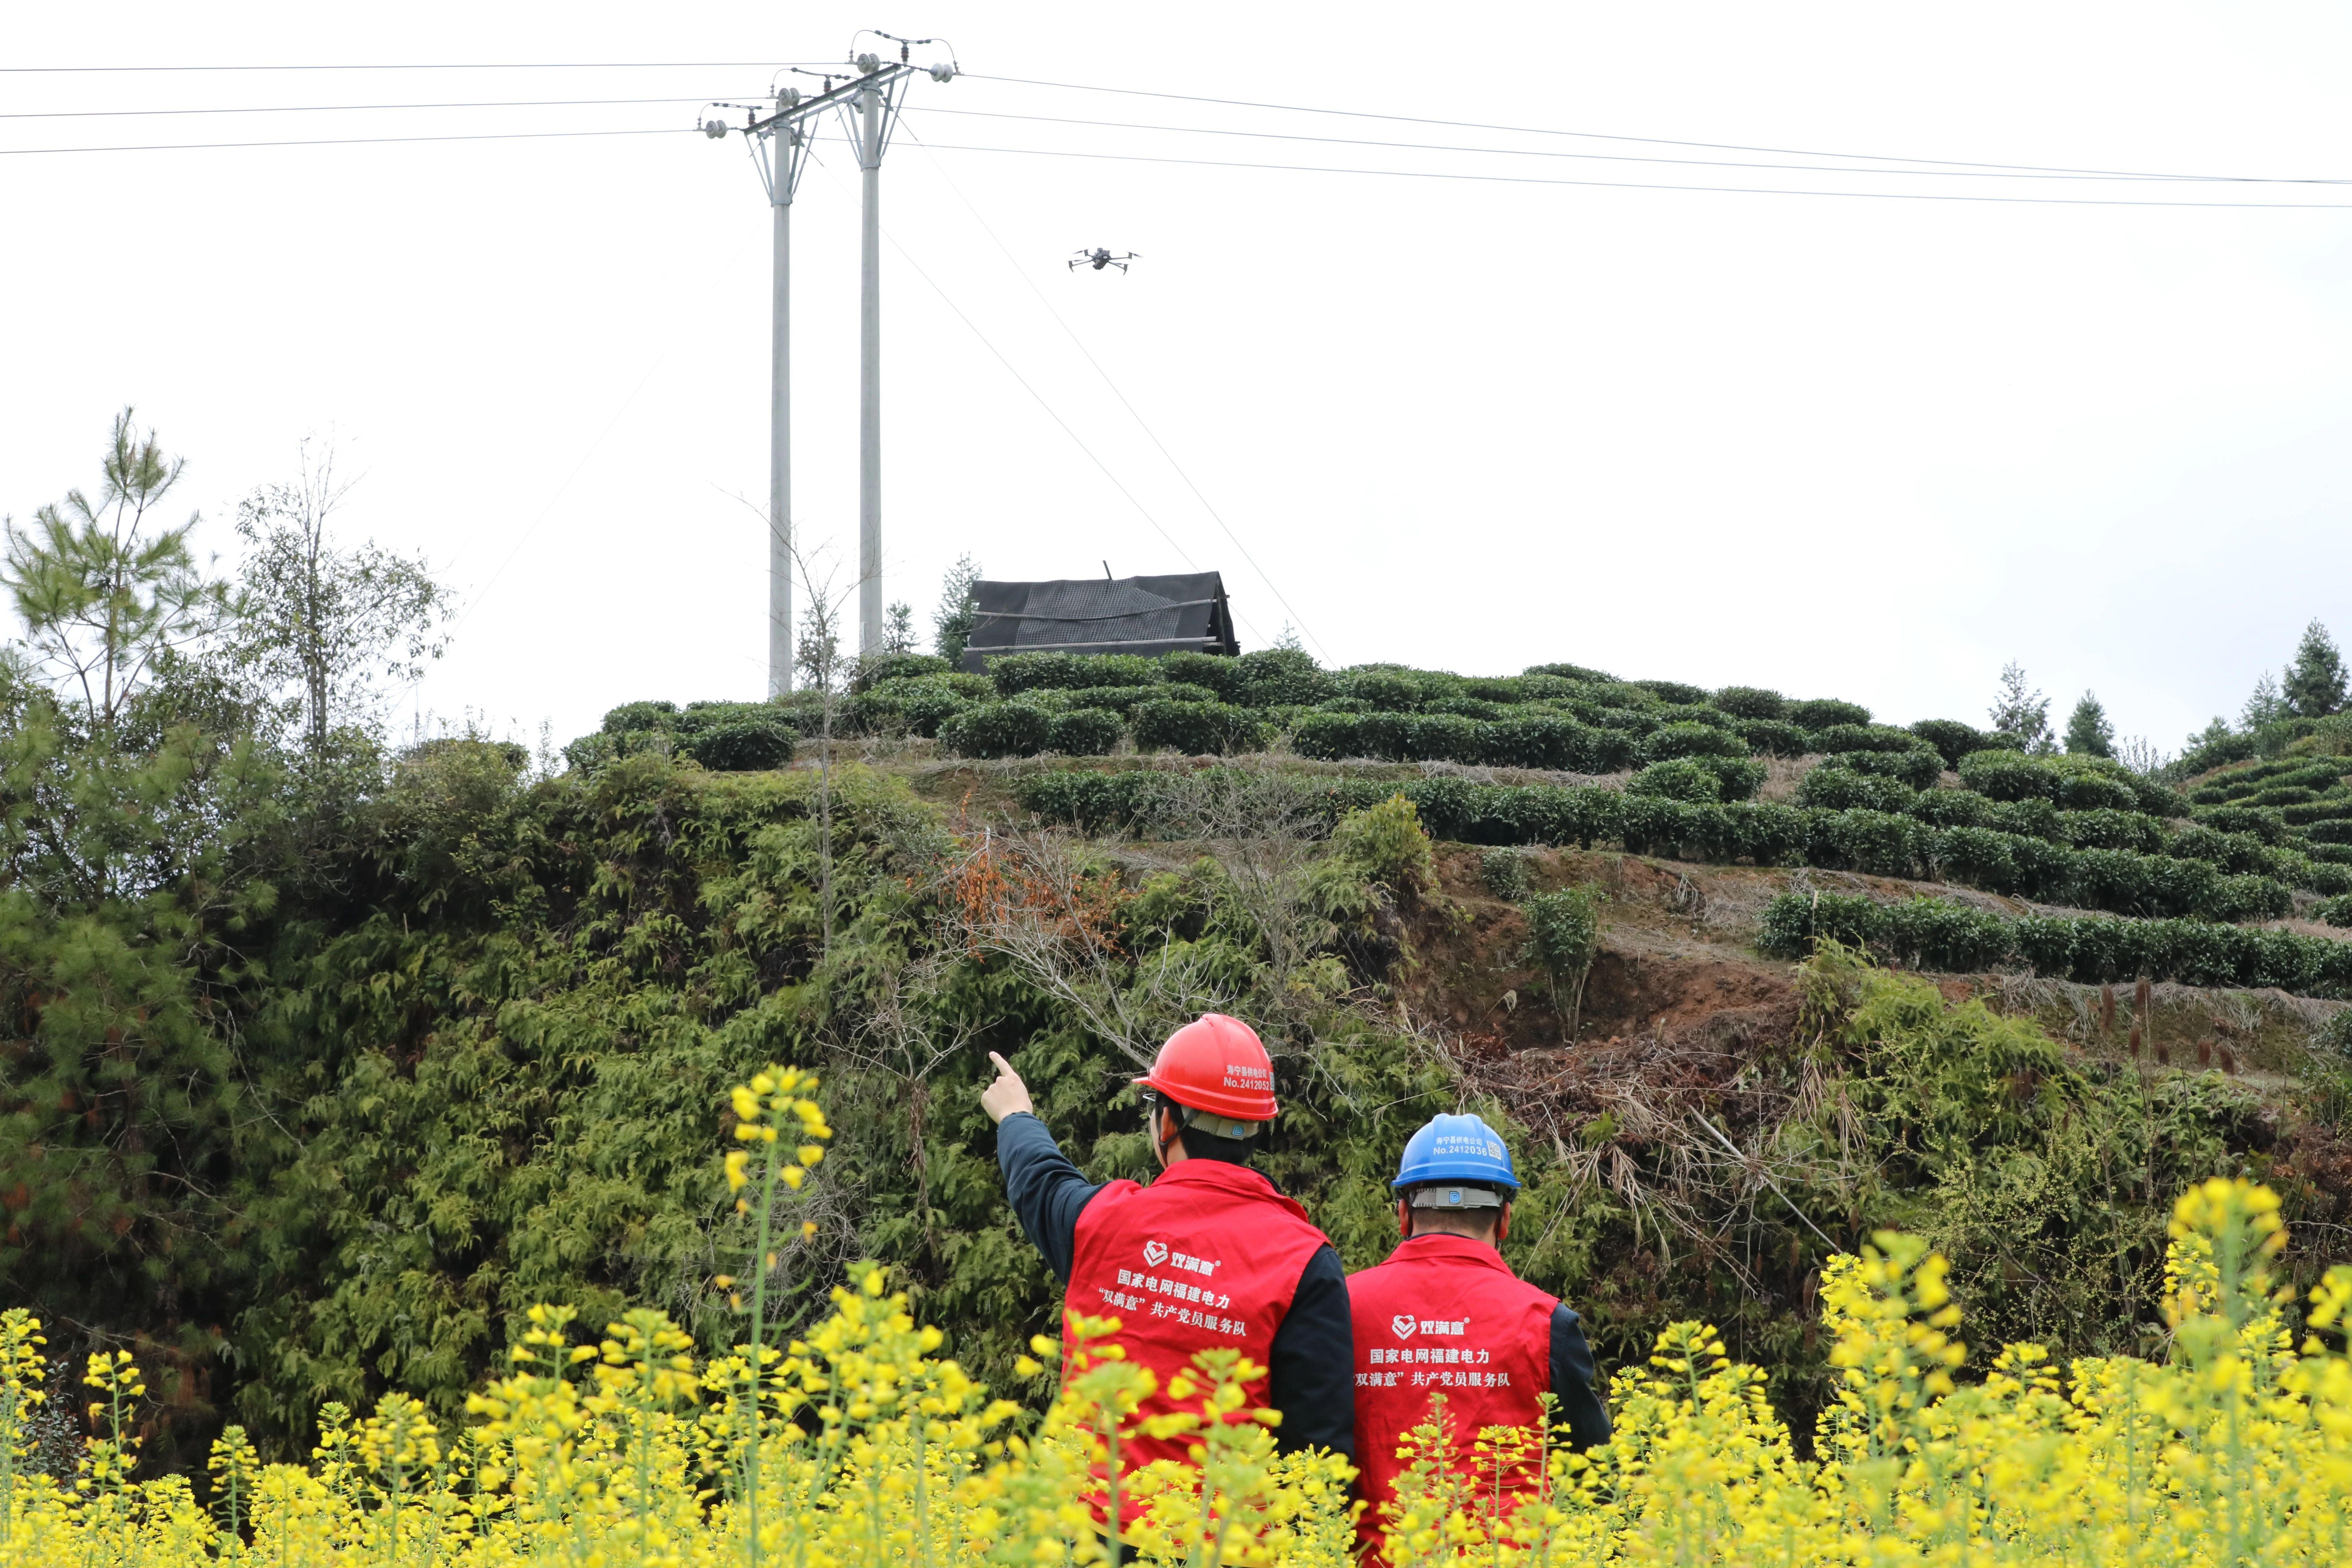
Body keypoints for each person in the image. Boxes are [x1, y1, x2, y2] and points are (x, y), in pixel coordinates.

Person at [978, 1014, 1355, 1490]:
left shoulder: (1101, 1222)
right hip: (1222, 1543)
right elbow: (1318, 1447)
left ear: (1168, 1122)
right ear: (1259, 1127)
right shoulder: (1306, 1262)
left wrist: (1016, 1116)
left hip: (1089, 1533)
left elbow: (1040, 1180)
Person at [1345, 1113, 1610, 1560]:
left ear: (1403, 1214)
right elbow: (1594, 1467)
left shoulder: (1341, 1307)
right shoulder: (1548, 1322)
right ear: (1505, 1219)